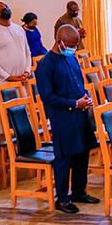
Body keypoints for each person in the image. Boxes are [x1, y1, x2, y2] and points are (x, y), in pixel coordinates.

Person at [35, 25, 99, 214]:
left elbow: (79, 82)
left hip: (80, 112)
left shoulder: (71, 58)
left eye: (76, 44)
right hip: (63, 116)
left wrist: (86, 97)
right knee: (65, 157)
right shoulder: (46, 64)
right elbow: (47, 97)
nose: (74, 48)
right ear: (59, 41)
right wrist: (73, 103)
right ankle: (62, 198)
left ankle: (79, 191)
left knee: (82, 153)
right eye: (72, 44)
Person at [0, 1, 32, 87]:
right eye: (0, 10)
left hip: (23, 79)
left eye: (6, 8)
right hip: (3, 82)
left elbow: (27, 53)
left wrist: (27, 71)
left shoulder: (19, 28)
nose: (5, 11)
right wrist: (7, 76)